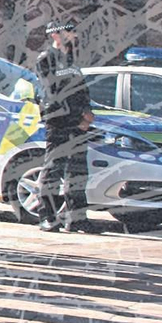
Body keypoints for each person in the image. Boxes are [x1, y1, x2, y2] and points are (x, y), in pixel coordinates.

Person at [33, 18, 96, 233]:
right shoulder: (46, 59)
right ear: (55, 35)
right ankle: (47, 216)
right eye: (69, 32)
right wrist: (77, 116)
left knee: (78, 172)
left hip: (78, 123)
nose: (74, 35)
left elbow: (81, 90)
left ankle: (77, 218)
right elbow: (53, 93)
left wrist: (87, 113)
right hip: (58, 121)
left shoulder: (71, 61)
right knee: (53, 169)